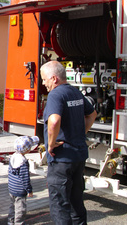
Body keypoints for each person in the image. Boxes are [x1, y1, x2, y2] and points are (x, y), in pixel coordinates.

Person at [40, 61, 97, 225]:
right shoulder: (76, 92)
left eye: (45, 80)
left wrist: (50, 145)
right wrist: (79, 133)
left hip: (61, 160)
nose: (44, 84)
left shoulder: (56, 95)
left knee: (60, 207)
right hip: (78, 156)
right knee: (76, 204)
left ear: (54, 78)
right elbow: (92, 115)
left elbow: (54, 121)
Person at [8, 136, 38, 225]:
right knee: (20, 209)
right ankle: (19, 223)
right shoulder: (23, 162)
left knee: (12, 206)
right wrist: (29, 190)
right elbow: (25, 178)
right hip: (20, 190)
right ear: (27, 150)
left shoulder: (13, 157)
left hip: (12, 188)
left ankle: (10, 221)